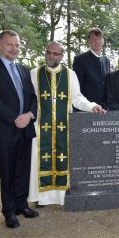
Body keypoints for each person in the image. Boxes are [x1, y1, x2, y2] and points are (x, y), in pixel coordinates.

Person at [28, 41, 106, 207]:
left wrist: (92, 106)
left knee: (63, 157)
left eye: (55, 53)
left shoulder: (70, 74)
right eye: (48, 52)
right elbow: (30, 99)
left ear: (62, 56)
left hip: (64, 126)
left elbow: (77, 98)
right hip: (41, 127)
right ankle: (42, 198)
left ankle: (61, 196)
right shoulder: (34, 73)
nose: (51, 56)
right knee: (40, 159)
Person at [0, 30, 39, 228]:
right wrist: (14, 118)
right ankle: (8, 211)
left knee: (22, 170)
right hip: (3, 130)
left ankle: (21, 205)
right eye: (9, 44)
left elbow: (33, 97)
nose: (14, 49)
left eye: (17, 45)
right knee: (7, 173)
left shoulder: (24, 70)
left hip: (25, 128)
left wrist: (30, 115)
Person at [73, 28, 110, 110]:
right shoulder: (80, 60)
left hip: (104, 109)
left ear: (103, 41)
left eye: (99, 38)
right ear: (89, 41)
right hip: (87, 108)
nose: (96, 41)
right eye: (93, 39)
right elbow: (77, 88)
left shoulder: (106, 60)